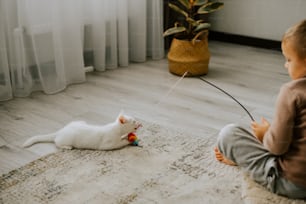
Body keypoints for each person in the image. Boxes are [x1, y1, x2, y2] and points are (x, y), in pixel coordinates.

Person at [214, 19, 306, 199]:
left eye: (289, 59)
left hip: (293, 183)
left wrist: (266, 133)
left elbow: (277, 148)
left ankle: (241, 160)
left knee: (229, 133)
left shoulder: (291, 92)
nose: (285, 65)